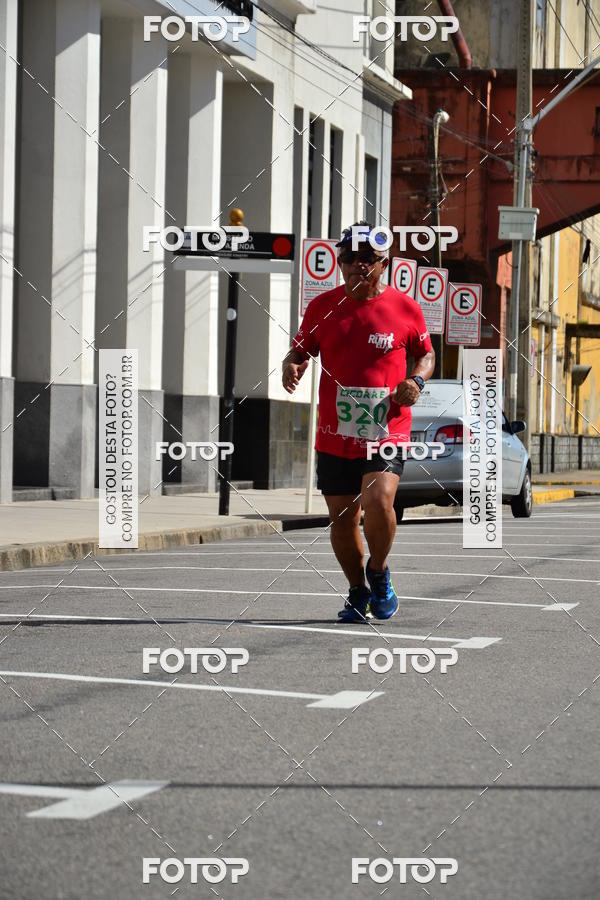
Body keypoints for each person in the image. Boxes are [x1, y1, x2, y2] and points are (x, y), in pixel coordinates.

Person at [282, 222, 435, 622]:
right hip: (335, 432)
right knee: (343, 519)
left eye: (367, 259)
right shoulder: (321, 307)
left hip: (386, 427)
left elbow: (426, 355)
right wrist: (291, 365)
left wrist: (415, 381)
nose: (357, 266)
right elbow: (300, 350)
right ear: (340, 261)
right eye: (349, 258)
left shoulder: (405, 308)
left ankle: (379, 571)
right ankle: (356, 590)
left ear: (383, 264)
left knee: (379, 499)